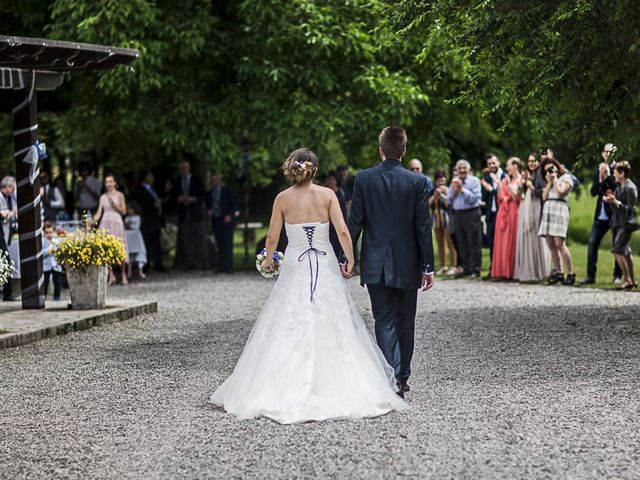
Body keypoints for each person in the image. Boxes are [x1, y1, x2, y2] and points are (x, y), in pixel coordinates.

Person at [210, 148, 407, 424]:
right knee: (332, 318)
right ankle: (342, 384)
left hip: (295, 267)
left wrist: (268, 261)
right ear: (313, 169)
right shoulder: (328, 195)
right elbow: (341, 231)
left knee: (289, 319)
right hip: (325, 265)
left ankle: (278, 384)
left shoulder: (282, 199)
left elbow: (272, 238)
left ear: (291, 169)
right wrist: (350, 259)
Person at [348, 125, 435, 397]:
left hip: (375, 262)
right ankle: (402, 377)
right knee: (406, 322)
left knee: (383, 319)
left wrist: (346, 256)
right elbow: (423, 227)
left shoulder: (364, 179)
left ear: (381, 149)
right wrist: (428, 266)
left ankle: (388, 376)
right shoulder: (418, 182)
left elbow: (355, 223)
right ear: (404, 150)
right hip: (408, 261)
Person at [580, 143, 622, 285]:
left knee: (617, 245)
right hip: (601, 214)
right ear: (602, 153)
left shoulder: (619, 169)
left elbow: (618, 188)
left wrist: (608, 177)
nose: (608, 154)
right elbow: (593, 192)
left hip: (614, 214)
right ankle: (590, 275)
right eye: (606, 152)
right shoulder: (598, 170)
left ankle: (617, 276)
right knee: (592, 243)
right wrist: (600, 179)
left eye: (611, 152)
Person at [538, 158, 575, 285]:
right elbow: (543, 197)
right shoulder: (548, 180)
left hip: (559, 209)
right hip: (548, 209)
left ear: (556, 166)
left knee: (560, 244)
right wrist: (548, 182)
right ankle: (558, 272)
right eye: (547, 170)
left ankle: (570, 273)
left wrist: (554, 180)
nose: (550, 171)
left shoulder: (566, 178)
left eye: (551, 168)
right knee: (550, 243)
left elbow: (559, 193)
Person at [514, 153, 549, 282]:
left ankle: (539, 270)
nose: (532, 163)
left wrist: (531, 186)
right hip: (525, 206)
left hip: (536, 206)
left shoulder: (541, 175)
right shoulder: (525, 175)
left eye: (534, 161)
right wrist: (522, 184)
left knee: (537, 236)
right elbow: (519, 194)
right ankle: (526, 270)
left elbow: (542, 193)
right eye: (529, 161)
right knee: (526, 235)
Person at [603, 161, 637, 289]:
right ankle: (632, 281)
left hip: (625, 224)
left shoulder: (630, 188)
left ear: (622, 173)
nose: (614, 174)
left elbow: (629, 210)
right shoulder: (620, 186)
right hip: (616, 223)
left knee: (617, 250)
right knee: (626, 252)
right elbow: (617, 203)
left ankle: (627, 279)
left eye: (616, 172)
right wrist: (610, 200)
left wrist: (615, 201)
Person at [168, 159, 208, 270]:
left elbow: (203, 195)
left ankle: (204, 263)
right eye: (181, 168)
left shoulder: (197, 180)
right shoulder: (176, 182)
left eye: (185, 168)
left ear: (189, 168)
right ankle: (189, 263)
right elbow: (172, 198)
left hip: (196, 214)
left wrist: (193, 199)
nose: (183, 170)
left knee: (200, 239)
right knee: (186, 240)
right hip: (184, 215)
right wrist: (179, 199)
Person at [447, 159, 483, 278]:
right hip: (458, 214)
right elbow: (448, 200)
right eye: (459, 168)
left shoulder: (475, 181)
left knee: (474, 242)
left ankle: (475, 269)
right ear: (456, 170)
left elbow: (475, 199)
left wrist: (462, 190)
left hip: (471, 213)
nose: (462, 170)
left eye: (464, 168)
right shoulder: (454, 182)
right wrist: (454, 192)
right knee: (461, 243)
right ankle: (466, 268)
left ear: (468, 169)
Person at [490, 157, 523, 280]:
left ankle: (512, 272)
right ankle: (501, 271)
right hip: (503, 213)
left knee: (512, 241)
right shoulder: (504, 180)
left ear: (515, 166)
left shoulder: (520, 180)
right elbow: (499, 197)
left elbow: (516, 198)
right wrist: (501, 186)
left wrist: (508, 186)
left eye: (508, 165)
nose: (507, 168)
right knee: (502, 242)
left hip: (514, 212)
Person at [94, 174, 128, 286]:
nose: (108, 184)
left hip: (116, 221)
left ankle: (123, 274)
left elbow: (124, 211)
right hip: (106, 222)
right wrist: (93, 220)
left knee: (120, 247)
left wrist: (114, 205)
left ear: (114, 183)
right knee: (105, 248)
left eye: (110, 181)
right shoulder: (103, 197)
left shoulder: (120, 195)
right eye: (106, 182)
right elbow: (99, 212)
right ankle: (111, 275)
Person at [480, 153, 506, 278]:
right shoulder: (487, 178)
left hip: (504, 213)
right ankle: (492, 269)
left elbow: (503, 193)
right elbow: (484, 198)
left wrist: (491, 189)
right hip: (491, 214)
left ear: (499, 162)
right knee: (491, 242)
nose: (492, 165)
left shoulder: (505, 176)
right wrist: (485, 187)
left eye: (493, 163)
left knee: (502, 243)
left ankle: (502, 269)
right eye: (489, 164)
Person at [206, 173, 237, 273]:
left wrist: (229, 215)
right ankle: (221, 266)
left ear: (219, 180)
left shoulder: (226, 191)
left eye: (216, 180)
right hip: (216, 220)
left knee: (227, 243)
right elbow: (208, 205)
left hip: (226, 220)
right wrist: (209, 210)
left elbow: (234, 205)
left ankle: (228, 267)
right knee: (219, 244)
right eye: (212, 180)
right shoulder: (209, 193)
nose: (214, 182)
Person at [429, 171, 457, 274]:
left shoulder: (449, 190)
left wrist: (442, 195)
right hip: (436, 219)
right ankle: (442, 266)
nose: (441, 183)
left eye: (443, 180)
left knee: (450, 243)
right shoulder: (432, 191)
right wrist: (435, 195)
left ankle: (453, 265)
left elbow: (448, 205)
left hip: (446, 218)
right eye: (439, 181)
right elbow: (428, 204)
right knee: (440, 244)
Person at [136, 171, 165, 272]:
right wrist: (154, 205)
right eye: (150, 176)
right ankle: (146, 264)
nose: (152, 178)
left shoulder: (153, 189)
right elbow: (141, 206)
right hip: (147, 220)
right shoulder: (140, 190)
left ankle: (158, 263)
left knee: (156, 243)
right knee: (147, 243)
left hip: (155, 219)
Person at [323, 172, 348, 260]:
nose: (331, 182)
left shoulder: (341, 191)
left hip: (341, 223)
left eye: (333, 179)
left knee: (339, 247)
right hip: (328, 226)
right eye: (329, 179)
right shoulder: (322, 193)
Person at [0, 176, 17, 301]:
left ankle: (7, 291)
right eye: (13, 187)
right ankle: (7, 293)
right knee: (5, 260)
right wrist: (12, 213)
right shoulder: (0, 197)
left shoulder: (8, 198)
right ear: (8, 187)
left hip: (4, 233)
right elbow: (3, 215)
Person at [124, 201, 147, 279]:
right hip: (128, 238)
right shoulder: (127, 218)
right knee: (129, 255)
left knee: (139, 254)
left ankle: (140, 271)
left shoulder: (137, 217)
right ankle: (129, 273)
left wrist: (128, 226)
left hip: (136, 238)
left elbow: (136, 227)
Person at [42, 221, 62, 300]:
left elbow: (60, 251)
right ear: (44, 233)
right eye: (47, 232)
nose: (49, 234)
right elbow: (41, 253)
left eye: (51, 232)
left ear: (54, 232)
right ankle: (43, 297)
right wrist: (49, 250)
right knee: (45, 282)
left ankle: (57, 297)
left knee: (57, 282)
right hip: (46, 265)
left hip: (56, 264)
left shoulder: (57, 241)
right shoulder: (42, 242)